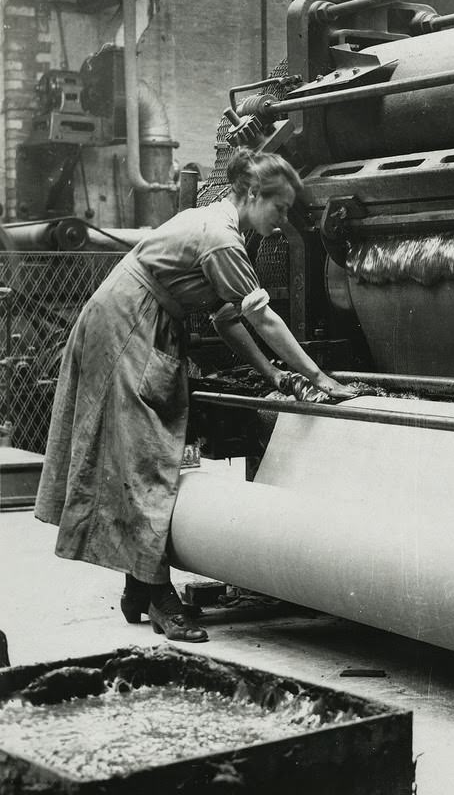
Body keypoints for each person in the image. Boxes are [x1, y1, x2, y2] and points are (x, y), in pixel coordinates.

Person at [35, 149, 356, 642]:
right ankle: (162, 599)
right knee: (143, 459)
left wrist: (274, 375)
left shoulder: (223, 229)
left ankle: (139, 586)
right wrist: (318, 377)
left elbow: (228, 320)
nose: (281, 222)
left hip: (134, 316)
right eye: (278, 208)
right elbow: (262, 318)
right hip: (129, 322)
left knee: (133, 457)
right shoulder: (222, 238)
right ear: (251, 195)